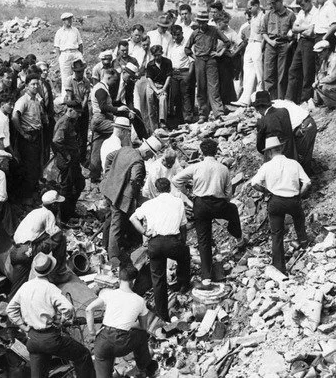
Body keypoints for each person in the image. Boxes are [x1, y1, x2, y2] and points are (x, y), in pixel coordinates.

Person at [172, 138, 245, 290]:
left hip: (201, 205)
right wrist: (222, 198)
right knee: (232, 210)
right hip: (218, 204)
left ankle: (206, 277)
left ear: (201, 152)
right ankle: (238, 237)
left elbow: (176, 180)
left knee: (203, 240)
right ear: (216, 151)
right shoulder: (223, 168)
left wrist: (187, 193)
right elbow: (228, 193)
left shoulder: (196, 166)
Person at [7, 253, 96, 378]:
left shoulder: (25, 287)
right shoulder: (50, 288)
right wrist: (64, 319)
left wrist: (23, 326)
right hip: (50, 338)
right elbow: (68, 307)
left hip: (33, 338)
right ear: (50, 271)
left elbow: (10, 309)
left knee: (38, 375)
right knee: (83, 355)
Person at [130, 178, 190, 321]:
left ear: (156, 190)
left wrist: (144, 233)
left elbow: (133, 218)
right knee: (185, 256)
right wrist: (182, 240)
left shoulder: (149, 204)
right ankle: (183, 285)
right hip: (172, 241)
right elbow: (183, 225)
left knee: (158, 279)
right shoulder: (178, 201)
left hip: (155, 244)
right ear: (169, 188)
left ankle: (163, 315)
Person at [250, 136, 311, 273]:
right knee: (299, 220)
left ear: (269, 152)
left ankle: (279, 267)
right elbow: (307, 182)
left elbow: (254, 183)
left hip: (275, 200)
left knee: (276, 234)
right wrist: (299, 195)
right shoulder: (294, 163)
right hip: (293, 199)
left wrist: (266, 191)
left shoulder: (266, 166)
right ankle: (304, 245)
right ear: (281, 148)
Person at [86, 266, 155, 377]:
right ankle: (143, 368)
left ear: (119, 280)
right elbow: (143, 327)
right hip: (122, 344)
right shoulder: (140, 300)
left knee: (102, 368)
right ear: (133, 281)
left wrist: (92, 332)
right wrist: (128, 324)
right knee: (141, 335)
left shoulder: (108, 294)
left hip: (103, 341)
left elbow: (89, 309)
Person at [102, 137, 161, 265]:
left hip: (109, 188)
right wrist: (133, 195)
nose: (150, 158)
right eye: (151, 155)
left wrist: (108, 174)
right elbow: (135, 180)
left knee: (109, 218)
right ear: (147, 151)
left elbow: (109, 157)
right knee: (116, 225)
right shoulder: (138, 162)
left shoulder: (125, 149)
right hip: (120, 196)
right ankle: (113, 256)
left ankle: (104, 244)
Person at [186, 11, 231, 122]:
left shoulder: (214, 30)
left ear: (207, 22)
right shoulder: (195, 33)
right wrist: (194, 57)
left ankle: (218, 113)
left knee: (213, 87)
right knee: (201, 87)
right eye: (200, 22)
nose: (202, 25)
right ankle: (203, 114)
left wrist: (220, 53)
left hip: (211, 60)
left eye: (204, 22)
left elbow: (227, 42)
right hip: (199, 61)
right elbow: (187, 49)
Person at [89, 69, 131, 182]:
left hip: (98, 120)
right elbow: (103, 107)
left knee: (97, 148)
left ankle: (94, 175)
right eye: (114, 80)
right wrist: (118, 109)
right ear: (108, 77)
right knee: (122, 130)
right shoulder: (101, 89)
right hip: (101, 120)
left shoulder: (100, 87)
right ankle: (127, 164)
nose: (115, 83)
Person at [13, 75, 45, 204]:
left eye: (37, 84)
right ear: (26, 86)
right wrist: (22, 133)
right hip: (28, 136)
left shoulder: (36, 99)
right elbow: (15, 117)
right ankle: (26, 198)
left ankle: (33, 193)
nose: (36, 86)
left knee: (36, 165)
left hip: (37, 134)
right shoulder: (23, 100)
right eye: (33, 84)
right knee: (28, 166)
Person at [52, 99, 85, 220]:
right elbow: (56, 141)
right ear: (70, 110)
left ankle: (70, 210)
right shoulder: (64, 122)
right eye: (78, 112)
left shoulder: (71, 121)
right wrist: (66, 155)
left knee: (79, 183)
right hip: (67, 161)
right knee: (66, 188)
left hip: (72, 160)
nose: (80, 115)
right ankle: (63, 216)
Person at [261, 0, 296, 99]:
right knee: (268, 74)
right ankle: (270, 99)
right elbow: (263, 32)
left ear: (280, 2)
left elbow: (295, 32)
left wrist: (289, 44)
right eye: (271, 3)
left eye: (274, 3)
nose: (272, 6)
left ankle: (280, 100)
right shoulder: (268, 15)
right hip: (270, 45)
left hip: (284, 45)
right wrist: (270, 42)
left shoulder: (290, 15)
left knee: (282, 75)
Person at [287, 0, 317, 104]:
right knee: (293, 70)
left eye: (303, 5)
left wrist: (301, 29)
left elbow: (311, 33)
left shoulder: (316, 12)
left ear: (309, 0)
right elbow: (294, 29)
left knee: (307, 73)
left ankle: (305, 100)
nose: (302, 8)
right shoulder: (301, 13)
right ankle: (290, 98)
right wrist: (305, 28)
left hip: (310, 43)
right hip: (301, 42)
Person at [253, 91, 297, 159]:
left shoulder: (263, 121)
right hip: (291, 155)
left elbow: (260, 147)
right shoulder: (284, 111)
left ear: (259, 108)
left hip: (276, 157)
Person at [62, 59, 92, 156]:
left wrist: (82, 109)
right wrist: (75, 111)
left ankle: (82, 156)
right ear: (74, 71)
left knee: (83, 134)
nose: (80, 73)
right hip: (73, 108)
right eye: (78, 71)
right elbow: (70, 98)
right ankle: (74, 155)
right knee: (73, 133)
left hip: (83, 108)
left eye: (82, 71)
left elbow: (86, 98)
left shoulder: (86, 81)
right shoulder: (70, 80)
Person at [167, 24, 195, 126]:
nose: (176, 37)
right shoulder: (172, 46)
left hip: (184, 72)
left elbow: (192, 61)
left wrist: (189, 75)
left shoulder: (187, 45)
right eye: (174, 35)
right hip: (174, 73)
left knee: (186, 95)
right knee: (175, 96)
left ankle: (188, 118)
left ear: (182, 33)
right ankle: (179, 119)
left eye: (178, 34)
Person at [213, 11, 243, 106]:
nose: (227, 24)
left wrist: (233, 54)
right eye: (225, 22)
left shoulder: (230, 32)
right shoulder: (212, 30)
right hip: (212, 60)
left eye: (227, 22)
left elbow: (241, 43)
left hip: (225, 60)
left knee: (226, 83)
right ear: (218, 22)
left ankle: (227, 104)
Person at [146, 45, 172, 130]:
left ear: (162, 53)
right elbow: (149, 78)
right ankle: (153, 127)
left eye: (159, 54)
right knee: (150, 100)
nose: (157, 57)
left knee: (163, 98)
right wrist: (156, 90)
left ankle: (162, 121)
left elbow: (169, 76)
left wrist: (163, 89)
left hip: (163, 85)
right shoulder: (150, 64)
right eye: (155, 55)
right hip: (152, 86)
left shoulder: (167, 62)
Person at [54, 12, 84, 86]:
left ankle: (81, 94)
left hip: (76, 53)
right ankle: (66, 96)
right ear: (63, 21)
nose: (70, 21)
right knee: (66, 78)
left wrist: (81, 55)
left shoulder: (75, 30)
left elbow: (80, 44)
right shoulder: (59, 32)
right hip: (65, 54)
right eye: (68, 19)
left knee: (80, 75)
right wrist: (60, 59)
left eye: (71, 19)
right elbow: (57, 47)